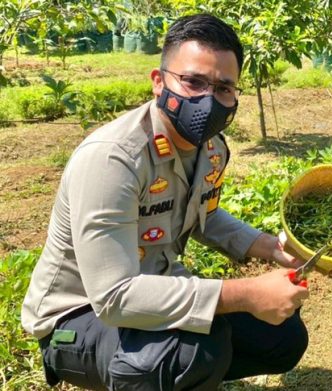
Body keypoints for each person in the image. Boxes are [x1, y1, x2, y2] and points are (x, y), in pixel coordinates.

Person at [21, 14, 310, 390]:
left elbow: (202, 210)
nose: (208, 99)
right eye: (193, 82)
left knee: (281, 335)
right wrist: (246, 293)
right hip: (77, 319)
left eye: (223, 88)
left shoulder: (211, 149)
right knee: (192, 350)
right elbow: (113, 297)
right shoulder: (114, 158)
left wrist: (268, 247)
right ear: (159, 82)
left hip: (151, 290)